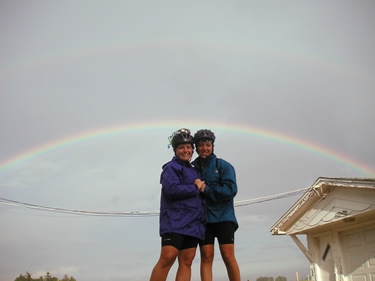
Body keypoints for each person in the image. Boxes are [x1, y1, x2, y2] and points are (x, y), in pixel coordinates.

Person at [149, 128, 206, 281]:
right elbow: (171, 190)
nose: (185, 150)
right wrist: (195, 187)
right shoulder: (170, 168)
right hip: (174, 221)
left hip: (193, 223)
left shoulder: (196, 171)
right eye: (181, 147)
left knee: (187, 261)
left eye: (188, 147)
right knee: (167, 257)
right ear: (175, 150)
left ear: (192, 149)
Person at [192, 129, 241, 281]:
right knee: (206, 257)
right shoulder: (192, 169)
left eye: (208, 145)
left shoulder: (224, 166)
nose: (204, 148)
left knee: (228, 255)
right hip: (204, 220)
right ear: (196, 147)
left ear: (213, 146)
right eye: (201, 145)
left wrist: (206, 188)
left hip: (224, 218)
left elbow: (231, 190)